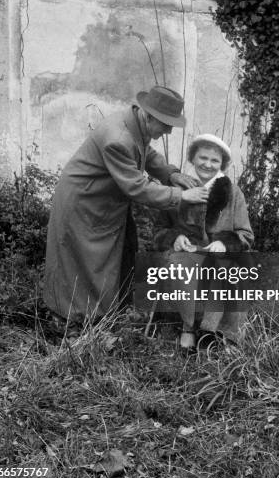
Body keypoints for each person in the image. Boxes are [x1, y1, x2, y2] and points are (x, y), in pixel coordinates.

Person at [43, 86, 209, 321]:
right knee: (85, 264)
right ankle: (77, 322)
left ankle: (105, 314)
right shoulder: (117, 139)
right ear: (149, 116)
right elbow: (137, 187)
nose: (170, 130)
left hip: (103, 201)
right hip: (84, 203)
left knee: (115, 257)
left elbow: (145, 153)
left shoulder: (134, 122)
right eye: (167, 124)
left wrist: (170, 173)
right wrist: (180, 196)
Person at [153, 134, 254, 349]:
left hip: (221, 254)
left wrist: (225, 243)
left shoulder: (233, 193)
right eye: (203, 158)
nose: (207, 164)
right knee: (178, 266)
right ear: (192, 158)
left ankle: (220, 334)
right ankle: (188, 327)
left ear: (222, 164)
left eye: (214, 160)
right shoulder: (179, 189)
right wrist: (175, 238)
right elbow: (160, 230)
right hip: (188, 252)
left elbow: (246, 235)